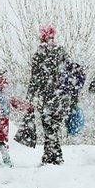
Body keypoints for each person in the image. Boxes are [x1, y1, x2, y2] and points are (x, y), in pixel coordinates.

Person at [27, 24, 70, 165]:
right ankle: (48, 158)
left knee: (49, 128)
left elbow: (35, 78)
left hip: (47, 97)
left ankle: (57, 158)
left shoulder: (40, 53)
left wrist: (30, 95)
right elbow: (68, 74)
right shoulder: (61, 51)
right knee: (53, 128)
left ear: (42, 36)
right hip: (61, 98)